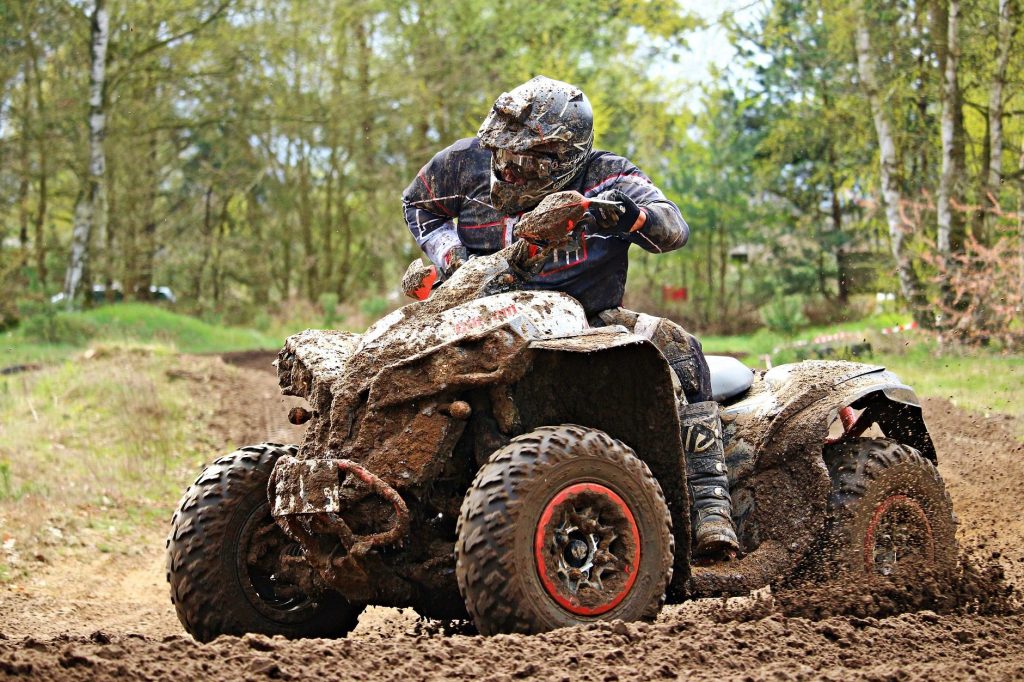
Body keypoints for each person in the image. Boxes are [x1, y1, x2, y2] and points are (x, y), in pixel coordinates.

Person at [401, 75, 737, 559]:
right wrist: (452, 258)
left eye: (528, 159)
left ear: (568, 157)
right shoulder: (461, 162)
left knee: (681, 348)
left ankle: (710, 505)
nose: (511, 169)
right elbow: (418, 204)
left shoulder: (607, 175)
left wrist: (624, 216)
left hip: (589, 320)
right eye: (503, 153)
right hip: (481, 315)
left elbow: (673, 227)